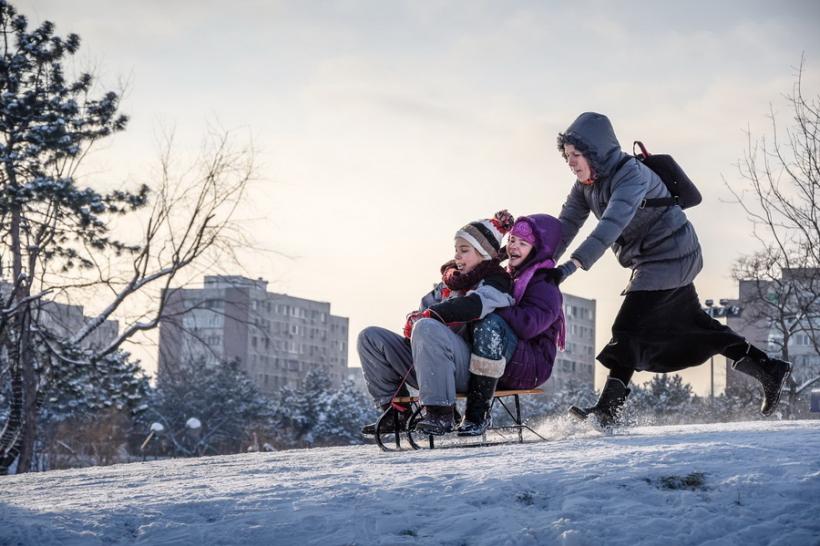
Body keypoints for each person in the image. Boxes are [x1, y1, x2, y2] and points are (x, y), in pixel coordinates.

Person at [546, 112, 792, 427]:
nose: (570, 162)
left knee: (627, 329)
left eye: (576, 155)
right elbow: (565, 226)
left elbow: (610, 226)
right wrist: (540, 263)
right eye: (566, 156)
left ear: (596, 152)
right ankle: (769, 369)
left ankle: (609, 410)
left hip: (673, 255)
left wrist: (568, 268)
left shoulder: (630, 175)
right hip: (648, 260)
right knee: (698, 327)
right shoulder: (585, 187)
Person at [358, 211, 517, 436]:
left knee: (427, 326)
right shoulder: (451, 283)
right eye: (456, 251)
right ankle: (397, 413)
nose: (458, 257)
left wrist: (430, 316)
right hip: (430, 366)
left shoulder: (496, 281)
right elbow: (426, 308)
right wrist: (416, 318)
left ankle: (441, 413)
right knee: (370, 337)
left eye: (464, 251)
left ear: (483, 253)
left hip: (467, 368)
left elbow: (475, 306)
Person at [456, 213, 568, 436]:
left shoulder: (544, 284)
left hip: (533, 364)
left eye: (523, 243)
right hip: (508, 355)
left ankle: (477, 415)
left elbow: (529, 325)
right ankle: (443, 411)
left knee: (488, 322)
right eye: (511, 240)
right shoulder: (509, 276)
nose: (514, 247)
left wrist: (493, 305)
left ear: (536, 250)